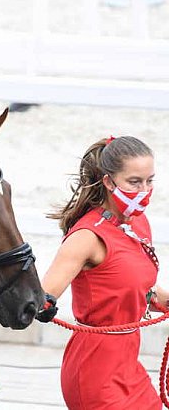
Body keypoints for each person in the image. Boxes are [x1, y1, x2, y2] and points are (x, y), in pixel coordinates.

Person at [36, 135, 167, 409]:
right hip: (94, 370)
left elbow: (139, 290)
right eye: (134, 182)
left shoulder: (138, 224)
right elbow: (42, 296)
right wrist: (43, 303)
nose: (144, 190)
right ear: (108, 182)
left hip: (128, 366)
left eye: (149, 181)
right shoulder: (86, 237)